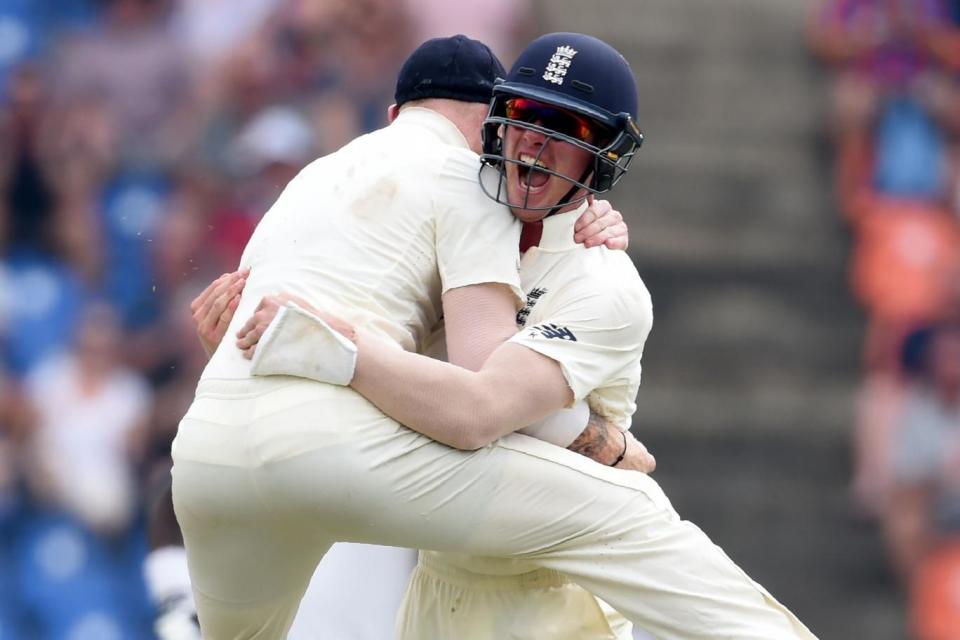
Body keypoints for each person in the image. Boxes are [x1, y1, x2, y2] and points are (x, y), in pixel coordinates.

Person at [172, 33, 816, 639]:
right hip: (447, 582)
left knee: (630, 510)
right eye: (528, 118)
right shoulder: (458, 225)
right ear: (495, 126)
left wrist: (329, 347)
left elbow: (479, 408)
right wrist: (262, 343)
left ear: (605, 159)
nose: (536, 143)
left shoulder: (606, 284)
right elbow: (423, 388)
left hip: (548, 599)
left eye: (568, 129)